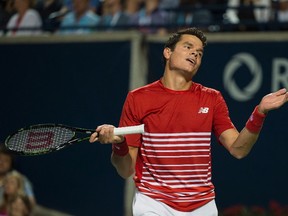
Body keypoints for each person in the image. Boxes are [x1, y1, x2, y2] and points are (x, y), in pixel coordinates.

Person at [89, 27, 288, 215]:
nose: (195, 54)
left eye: (200, 53)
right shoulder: (138, 98)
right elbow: (125, 170)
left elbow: (239, 149)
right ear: (168, 53)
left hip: (203, 205)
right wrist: (119, 145)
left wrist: (260, 112)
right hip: (154, 202)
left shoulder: (212, 98)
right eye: (188, 47)